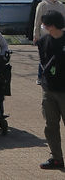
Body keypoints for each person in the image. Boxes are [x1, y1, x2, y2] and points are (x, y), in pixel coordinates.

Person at [36, 11, 65, 170]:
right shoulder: (43, 41)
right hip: (49, 90)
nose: (44, 26)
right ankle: (56, 158)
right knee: (51, 125)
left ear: (53, 25)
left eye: (45, 24)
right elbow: (43, 63)